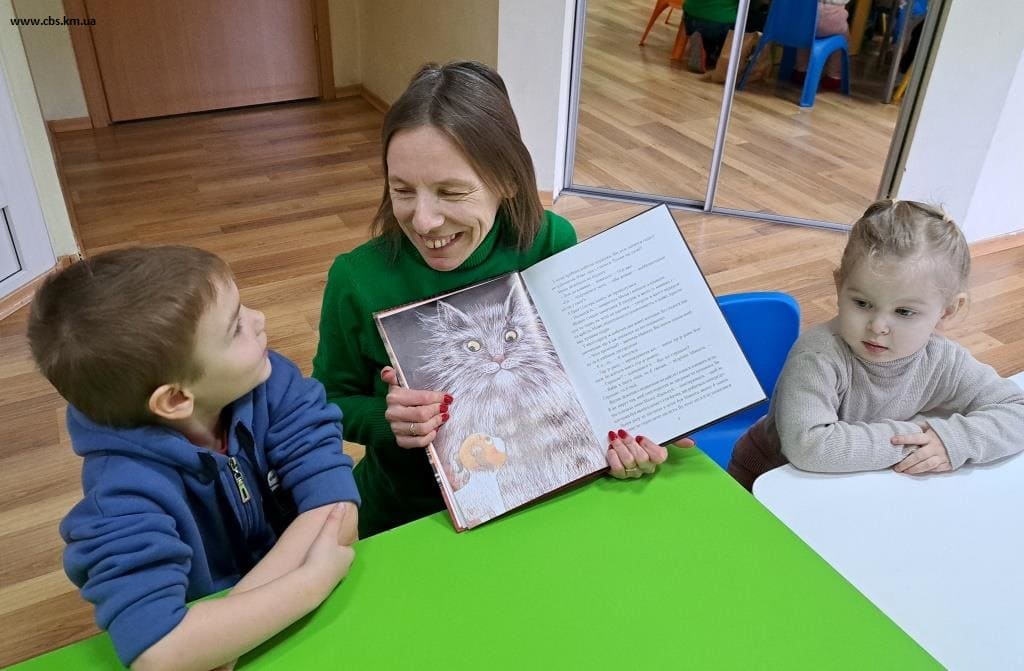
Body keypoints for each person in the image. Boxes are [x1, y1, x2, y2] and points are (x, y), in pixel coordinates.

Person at [313, 61, 693, 538]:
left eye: (451, 191)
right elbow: (324, 403)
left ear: (508, 181)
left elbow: (587, 370)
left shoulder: (550, 241)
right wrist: (384, 419)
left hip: (544, 499)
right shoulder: (356, 279)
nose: (424, 220)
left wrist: (628, 435)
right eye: (401, 190)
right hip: (409, 518)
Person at [27, 246, 361, 670]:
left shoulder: (271, 382)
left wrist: (224, 638)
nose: (260, 319)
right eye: (235, 327)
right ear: (176, 399)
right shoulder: (119, 496)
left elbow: (337, 511)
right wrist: (310, 584)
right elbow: (159, 653)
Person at [727, 200, 1024, 490]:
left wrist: (954, 440)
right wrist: (917, 438)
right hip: (767, 477)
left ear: (947, 311)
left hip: (857, 484)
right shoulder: (818, 356)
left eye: (904, 312)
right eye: (862, 303)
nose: (878, 326)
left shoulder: (943, 360)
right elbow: (809, 446)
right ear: (839, 286)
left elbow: (1017, 410)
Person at [792, 0, 850, 91]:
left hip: (802, 23)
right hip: (831, 23)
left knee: (804, 35)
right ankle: (833, 76)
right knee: (843, 36)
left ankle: (801, 70)